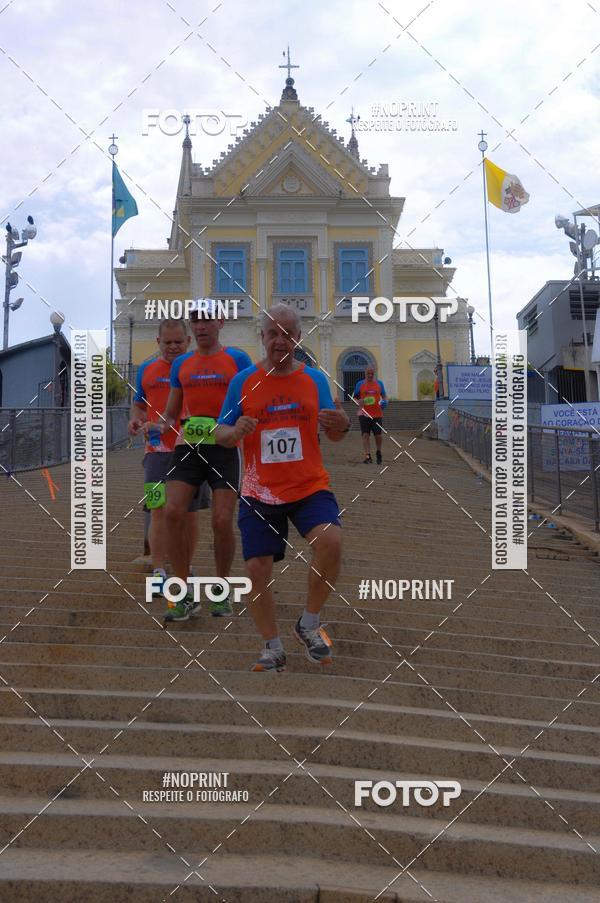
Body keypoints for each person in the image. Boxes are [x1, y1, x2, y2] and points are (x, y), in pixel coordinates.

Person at [215, 304, 350, 672]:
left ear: (298, 338)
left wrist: (342, 422)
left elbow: (335, 433)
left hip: (309, 486)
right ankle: (272, 646)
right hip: (260, 490)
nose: (280, 340)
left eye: (287, 334)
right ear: (262, 337)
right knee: (257, 568)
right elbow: (219, 431)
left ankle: (308, 623)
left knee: (332, 542)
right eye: (273, 333)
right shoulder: (243, 382)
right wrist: (235, 431)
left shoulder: (315, 380)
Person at [153, 299, 252, 622]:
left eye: (207, 320)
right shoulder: (182, 364)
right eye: (196, 320)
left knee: (222, 520)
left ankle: (221, 590)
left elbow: (251, 403)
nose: (201, 326)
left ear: (221, 322)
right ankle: (182, 593)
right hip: (190, 444)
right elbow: (171, 412)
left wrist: (240, 429)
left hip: (225, 447)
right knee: (171, 511)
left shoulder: (237, 359)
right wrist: (156, 425)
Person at [128, 319, 210, 595]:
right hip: (156, 455)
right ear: (158, 342)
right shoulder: (147, 370)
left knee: (189, 515)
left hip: (193, 451)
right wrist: (136, 421)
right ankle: (160, 569)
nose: (173, 347)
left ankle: (184, 567)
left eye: (178, 342)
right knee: (157, 510)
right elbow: (139, 405)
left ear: (188, 341)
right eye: (167, 342)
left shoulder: (199, 368)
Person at [353, 366, 387, 464]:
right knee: (365, 435)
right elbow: (354, 397)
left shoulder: (379, 384)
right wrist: (358, 402)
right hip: (364, 413)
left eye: (372, 373)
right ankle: (368, 456)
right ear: (365, 373)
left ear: (374, 373)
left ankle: (378, 452)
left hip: (377, 414)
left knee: (378, 435)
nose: (370, 375)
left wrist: (385, 401)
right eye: (368, 373)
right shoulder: (360, 384)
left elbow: (384, 396)